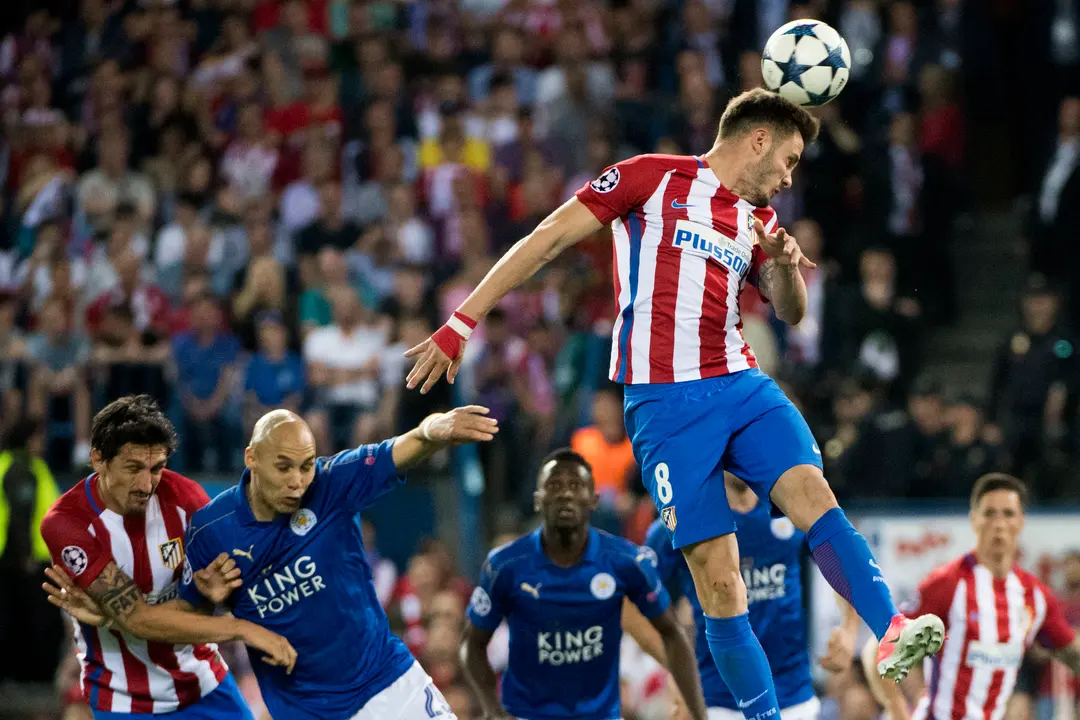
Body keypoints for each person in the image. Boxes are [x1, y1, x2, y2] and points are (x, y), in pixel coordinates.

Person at [404, 86, 945, 720]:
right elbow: (549, 238)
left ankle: (891, 628)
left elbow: (793, 315)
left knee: (814, 493)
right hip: (665, 405)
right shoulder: (650, 178)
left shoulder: (760, 220)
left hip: (740, 382)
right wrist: (460, 322)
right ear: (759, 139)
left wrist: (783, 267)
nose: (790, 176)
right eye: (791, 159)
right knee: (720, 585)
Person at [49, 404, 499, 719]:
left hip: (385, 683)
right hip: (295, 708)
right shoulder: (212, 528)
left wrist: (431, 432)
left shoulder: (330, 483)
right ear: (252, 460)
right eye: (284, 467)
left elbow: (397, 448)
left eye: (305, 466)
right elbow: (173, 612)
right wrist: (208, 607)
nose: (299, 481)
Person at [38, 395, 293, 718]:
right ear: (98, 459)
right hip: (123, 700)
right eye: (133, 468)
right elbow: (138, 618)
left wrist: (214, 598)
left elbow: (234, 588)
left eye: (156, 468)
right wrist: (242, 629)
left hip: (204, 686)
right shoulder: (67, 524)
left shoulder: (188, 500)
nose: (146, 484)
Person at [458, 448, 708, 720]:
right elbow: (472, 643)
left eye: (575, 485)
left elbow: (671, 633)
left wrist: (698, 713)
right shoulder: (504, 565)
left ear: (594, 500)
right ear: (537, 500)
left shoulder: (626, 562)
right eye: (554, 486)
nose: (565, 494)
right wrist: (493, 711)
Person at [623, 472, 859, 720]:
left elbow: (841, 558)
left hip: (793, 696)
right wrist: (679, 668)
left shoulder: (788, 504)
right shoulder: (686, 516)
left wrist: (849, 627)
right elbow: (629, 601)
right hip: (718, 702)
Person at [862, 473, 1080, 720]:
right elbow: (878, 645)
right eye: (989, 513)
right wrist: (895, 706)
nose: (999, 523)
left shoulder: (1036, 597)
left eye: (1008, 514)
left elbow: (1072, 653)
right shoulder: (948, 584)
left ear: (1021, 521)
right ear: (974, 519)